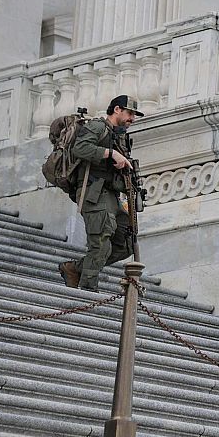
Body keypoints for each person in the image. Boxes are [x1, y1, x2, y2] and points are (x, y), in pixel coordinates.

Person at [59, 95, 142, 291]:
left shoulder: (119, 135)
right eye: (130, 113)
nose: (132, 118)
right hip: (93, 193)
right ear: (117, 110)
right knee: (101, 243)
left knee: (126, 243)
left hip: (111, 195)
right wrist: (110, 153)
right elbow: (80, 148)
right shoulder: (97, 127)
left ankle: (75, 268)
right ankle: (88, 290)